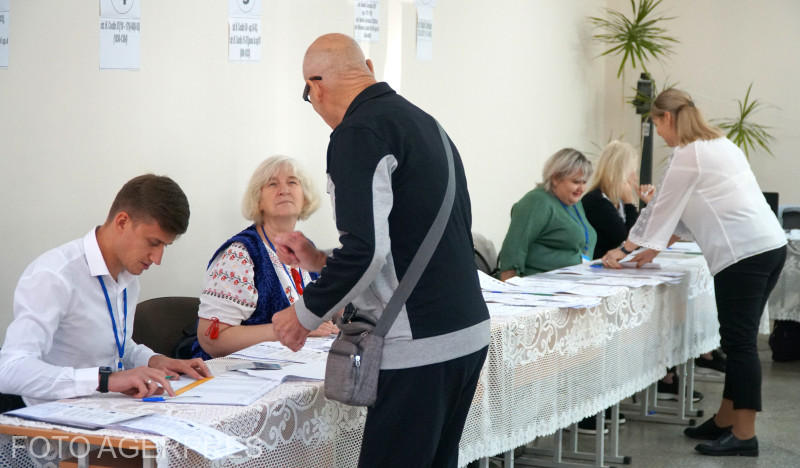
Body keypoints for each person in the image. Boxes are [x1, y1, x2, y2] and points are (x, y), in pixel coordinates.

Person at [270, 33, 490, 467]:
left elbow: (368, 252)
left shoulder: (356, 134)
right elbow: (401, 244)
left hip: (418, 347)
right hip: (466, 332)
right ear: (367, 66)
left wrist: (303, 314)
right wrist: (318, 261)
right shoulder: (425, 123)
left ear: (315, 84)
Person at [601, 88, 786, 457]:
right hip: (768, 246)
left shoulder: (689, 154)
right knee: (739, 339)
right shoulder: (720, 143)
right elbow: (686, 213)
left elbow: (661, 210)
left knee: (739, 342)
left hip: (742, 255)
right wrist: (651, 247)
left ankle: (745, 435)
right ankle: (725, 420)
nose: (662, 134)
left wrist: (624, 249)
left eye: (657, 124)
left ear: (666, 118)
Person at [0, 174, 211, 412]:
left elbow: (117, 346)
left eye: (165, 246)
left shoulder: (128, 278)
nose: (158, 259)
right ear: (122, 222)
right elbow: (10, 369)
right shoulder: (54, 275)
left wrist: (155, 360)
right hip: (48, 421)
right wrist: (105, 380)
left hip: (105, 411)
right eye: (153, 242)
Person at [190, 156, 337, 359]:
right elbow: (212, 340)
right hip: (235, 376)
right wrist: (292, 328)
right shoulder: (240, 254)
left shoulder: (306, 249)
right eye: (273, 184)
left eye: (292, 182)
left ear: (305, 196)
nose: (284, 189)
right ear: (258, 200)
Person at [496, 148, 597, 280]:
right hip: (540, 285)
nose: (582, 188)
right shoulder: (537, 201)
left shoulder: (574, 203)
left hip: (571, 282)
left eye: (584, 182)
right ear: (555, 178)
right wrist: (510, 288)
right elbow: (515, 247)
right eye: (576, 182)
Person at [582, 140, 654, 259]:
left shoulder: (616, 200)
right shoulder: (596, 201)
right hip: (599, 268)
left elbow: (645, 237)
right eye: (632, 172)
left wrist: (650, 204)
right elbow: (629, 240)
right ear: (621, 173)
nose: (635, 178)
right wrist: (630, 203)